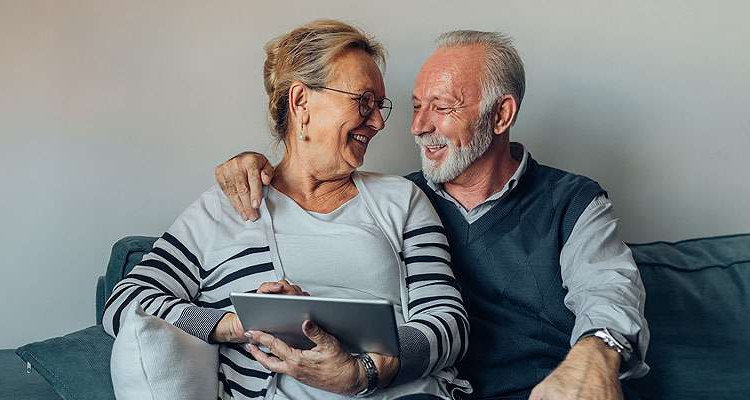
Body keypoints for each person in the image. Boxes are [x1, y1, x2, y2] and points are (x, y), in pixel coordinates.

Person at [215, 30, 649, 400]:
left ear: (501, 115)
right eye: (416, 106)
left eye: (441, 108)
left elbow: (608, 289)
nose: (418, 126)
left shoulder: (571, 201)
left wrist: (599, 350)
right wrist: (254, 164)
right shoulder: (398, 201)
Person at [103, 20, 471, 400]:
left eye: (380, 106)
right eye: (363, 101)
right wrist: (234, 324)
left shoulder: (401, 199)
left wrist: (363, 373)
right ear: (301, 102)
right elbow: (126, 302)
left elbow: (448, 322)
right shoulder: (224, 208)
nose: (377, 122)